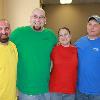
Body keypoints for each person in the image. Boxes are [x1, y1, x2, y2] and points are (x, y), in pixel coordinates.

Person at [10, 8, 57, 100]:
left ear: (45, 20)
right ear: (30, 18)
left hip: (46, 87)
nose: (38, 20)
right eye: (35, 17)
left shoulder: (51, 35)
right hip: (26, 88)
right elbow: (4, 46)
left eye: (41, 17)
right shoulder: (18, 33)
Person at [75, 15, 100, 100]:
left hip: (97, 92)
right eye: (90, 24)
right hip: (80, 91)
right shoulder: (79, 42)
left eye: (95, 25)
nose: (92, 27)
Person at [49, 27, 78, 100]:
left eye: (65, 34)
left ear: (70, 36)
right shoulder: (53, 50)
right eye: (61, 35)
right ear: (58, 38)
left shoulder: (76, 50)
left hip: (70, 90)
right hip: (55, 90)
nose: (63, 37)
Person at [0, 19, 18, 100]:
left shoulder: (13, 46)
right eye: (0, 28)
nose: (3, 32)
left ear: (10, 30)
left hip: (12, 96)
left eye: (6, 28)